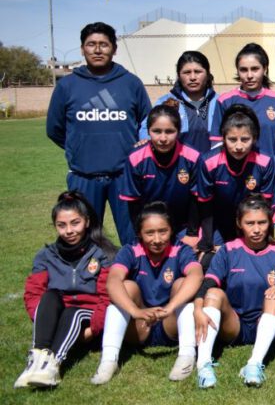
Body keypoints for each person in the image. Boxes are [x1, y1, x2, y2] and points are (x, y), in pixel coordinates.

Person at [46, 22, 151, 245]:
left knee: (133, 236)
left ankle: (133, 277)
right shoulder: (68, 85)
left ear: (114, 48)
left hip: (125, 176)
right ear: (82, 49)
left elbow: (147, 123)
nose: (97, 49)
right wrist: (79, 146)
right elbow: (54, 129)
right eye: (91, 44)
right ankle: (87, 279)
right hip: (84, 177)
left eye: (103, 44)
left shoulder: (131, 83)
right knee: (83, 237)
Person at [90, 202, 204, 384]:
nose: (157, 239)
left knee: (182, 283)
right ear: (139, 234)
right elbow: (112, 281)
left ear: (171, 230)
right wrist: (136, 312)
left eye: (163, 231)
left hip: (170, 323)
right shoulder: (130, 250)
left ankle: (187, 355)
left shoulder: (181, 249)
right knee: (126, 287)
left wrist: (170, 308)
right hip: (140, 326)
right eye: (149, 233)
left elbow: (196, 275)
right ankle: (109, 360)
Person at [15, 191, 117, 389]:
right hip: (57, 315)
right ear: (55, 226)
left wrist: (93, 330)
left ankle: (53, 365)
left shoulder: (103, 254)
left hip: (87, 316)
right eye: (62, 225)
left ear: (87, 222)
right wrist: (45, 321)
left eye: (75, 223)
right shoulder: (45, 255)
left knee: (74, 311)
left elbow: (107, 297)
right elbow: (33, 293)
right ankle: (36, 360)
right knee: (50, 295)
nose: (69, 230)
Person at [193, 194, 275, 388]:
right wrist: (198, 308)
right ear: (239, 223)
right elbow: (208, 282)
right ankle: (203, 366)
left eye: (262, 222)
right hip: (234, 325)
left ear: (270, 223)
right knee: (214, 294)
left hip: (266, 320)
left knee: (274, 293)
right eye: (250, 223)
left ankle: (254, 364)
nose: (257, 229)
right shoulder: (228, 250)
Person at [121, 104, 205, 249]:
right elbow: (133, 204)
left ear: (178, 132)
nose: (163, 138)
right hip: (150, 226)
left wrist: (191, 234)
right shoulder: (135, 159)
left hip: (184, 226)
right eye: (157, 131)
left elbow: (195, 199)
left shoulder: (193, 157)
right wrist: (142, 234)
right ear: (148, 131)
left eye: (169, 131)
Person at [211, 43, 275, 178]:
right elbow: (217, 144)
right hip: (235, 177)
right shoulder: (225, 101)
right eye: (243, 70)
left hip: (269, 177)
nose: (249, 75)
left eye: (255, 69)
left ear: (265, 69)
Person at [194, 105, 275, 245]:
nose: (238, 146)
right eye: (232, 139)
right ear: (223, 138)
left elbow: (265, 205)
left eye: (245, 139)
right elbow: (205, 205)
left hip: (251, 222)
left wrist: (266, 238)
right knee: (210, 259)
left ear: (254, 138)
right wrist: (207, 241)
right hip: (218, 222)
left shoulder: (265, 162)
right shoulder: (208, 162)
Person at [141, 51, 219, 154]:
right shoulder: (165, 102)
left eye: (198, 72)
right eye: (187, 72)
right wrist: (146, 141)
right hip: (178, 167)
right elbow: (146, 129)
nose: (192, 77)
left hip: (212, 166)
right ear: (179, 75)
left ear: (208, 74)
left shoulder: (220, 102)